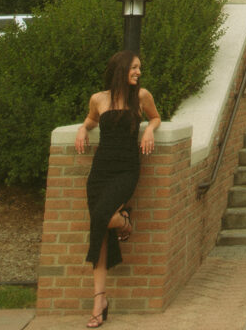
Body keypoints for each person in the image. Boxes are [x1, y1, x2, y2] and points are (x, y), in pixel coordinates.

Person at [75, 51, 160, 328]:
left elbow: (156, 118)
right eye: (134, 67)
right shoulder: (98, 99)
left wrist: (148, 130)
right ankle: (99, 300)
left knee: (100, 219)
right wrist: (82, 130)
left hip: (126, 170)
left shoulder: (142, 96)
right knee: (99, 232)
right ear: (121, 69)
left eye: (140, 68)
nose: (139, 72)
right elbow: (91, 120)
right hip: (100, 172)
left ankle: (124, 220)